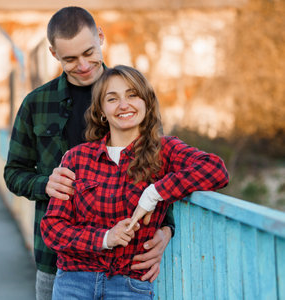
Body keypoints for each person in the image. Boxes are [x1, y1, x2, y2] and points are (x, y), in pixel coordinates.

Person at [4, 7, 175, 299]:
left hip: (127, 265)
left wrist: (167, 229)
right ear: (53, 53)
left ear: (100, 37)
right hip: (57, 260)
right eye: (70, 58)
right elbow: (13, 172)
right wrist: (44, 183)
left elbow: (159, 167)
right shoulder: (36, 104)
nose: (83, 65)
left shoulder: (134, 97)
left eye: (88, 52)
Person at [40, 65, 229, 299]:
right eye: (112, 99)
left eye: (132, 95)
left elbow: (215, 170)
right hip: (74, 282)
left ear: (146, 102)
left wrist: (154, 193)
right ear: (101, 110)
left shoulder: (164, 150)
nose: (124, 105)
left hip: (129, 286)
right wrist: (105, 238)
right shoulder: (77, 158)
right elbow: (52, 228)